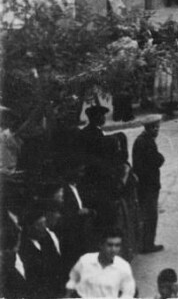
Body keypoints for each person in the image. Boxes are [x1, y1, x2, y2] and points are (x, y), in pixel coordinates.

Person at [66, 228, 136, 298]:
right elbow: (73, 280)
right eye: (109, 245)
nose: (113, 250)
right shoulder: (85, 260)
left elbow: (128, 293)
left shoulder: (123, 266)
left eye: (117, 245)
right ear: (101, 245)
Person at [132, 114, 165, 254]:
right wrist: (161, 158)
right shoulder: (147, 142)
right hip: (149, 185)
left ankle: (143, 243)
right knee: (150, 215)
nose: (157, 130)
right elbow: (157, 160)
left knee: (146, 214)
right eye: (156, 128)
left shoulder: (142, 140)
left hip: (144, 184)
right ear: (150, 128)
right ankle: (147, 245)